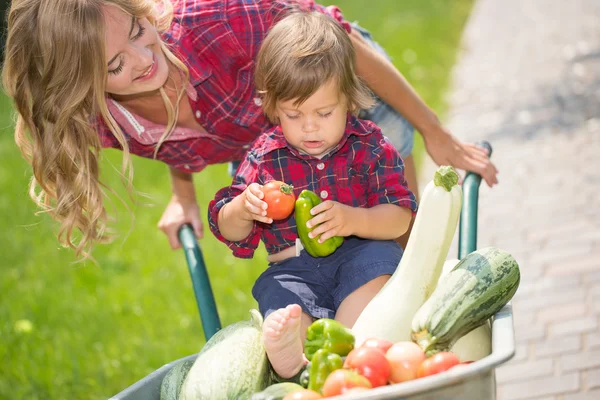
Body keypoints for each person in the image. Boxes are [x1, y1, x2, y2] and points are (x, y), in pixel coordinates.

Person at [1, 0, 497, 259]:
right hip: (276, 135)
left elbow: (336, 42)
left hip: (337, 84)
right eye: (114, 65)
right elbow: (175, 134)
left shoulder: (215, 20)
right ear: (78, 87)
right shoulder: (99, 120)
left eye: (138, 32)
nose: (145, 59)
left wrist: (437, 133)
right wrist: (186, 197)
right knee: (307, 261)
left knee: (395, 242)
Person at [207, 11, 418, 378]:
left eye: (324, 112)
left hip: (359, 254)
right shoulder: (264, 156)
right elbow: (230, 229)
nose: (309, 127)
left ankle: (351, 347)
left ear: (349, 100)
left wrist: (356, 219)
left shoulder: (368, 145)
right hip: (293, 270)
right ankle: (295, 350)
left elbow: (400, 213)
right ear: (272, 108)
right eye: (293, 114)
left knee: (376, 271)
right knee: (283, 302)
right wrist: (242, 209)